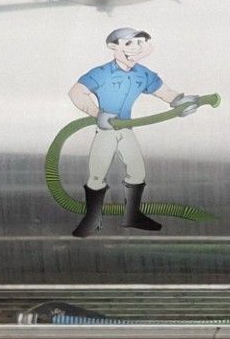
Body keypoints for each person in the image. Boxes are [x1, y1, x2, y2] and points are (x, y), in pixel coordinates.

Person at [67, 27, 199, 237]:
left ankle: (132, 216)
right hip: (106, 130)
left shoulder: (143, 74)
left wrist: (181, 102)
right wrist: (97, 113)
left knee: (137, 171)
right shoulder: (101, 73)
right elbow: (76, 92)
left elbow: (164, 92)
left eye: (139, 42)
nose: (136, 48)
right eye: (129, 43)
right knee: (97, 173)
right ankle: (92, 219)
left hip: (126, 129)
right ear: (113, 47)